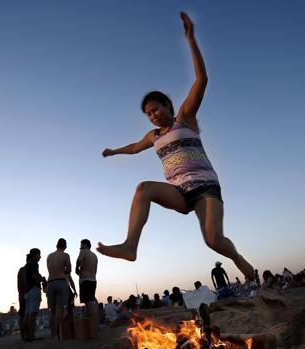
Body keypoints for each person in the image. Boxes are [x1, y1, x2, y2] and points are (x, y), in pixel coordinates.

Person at [97, 12, 255, 281]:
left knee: (213, 239)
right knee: (143, 188)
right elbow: (136, 146)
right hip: (179, 192)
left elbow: (201, 79)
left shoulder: (185, 119)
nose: (153, 114)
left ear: (167, 106)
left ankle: (239, 260)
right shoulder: (153, 136)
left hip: (204, 187)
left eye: (155, 108)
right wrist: (115, 151)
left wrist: (191, 39)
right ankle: (130, 246)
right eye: (148, 113)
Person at [46, 238, 73, 340]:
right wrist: (63, 272)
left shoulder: (49, 256)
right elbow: (69, 270)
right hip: (61, 282)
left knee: (51, 310)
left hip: (50, 283)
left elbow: (49, 269)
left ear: (56, 246)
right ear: (65, 247)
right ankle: (59, 333)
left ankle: (53, 334)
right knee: (60, 309)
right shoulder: (65, 255)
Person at [23, 248, 45, 341]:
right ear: (35, 255)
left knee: (28, 315)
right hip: (34, 290)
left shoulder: (27, 265)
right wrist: (42, 279)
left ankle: (27, 336)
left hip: (27, 291)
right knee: (32, 314)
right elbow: (34, 276)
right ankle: (31, 336)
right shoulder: (34, 264)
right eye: (39, 255)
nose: (40, 257)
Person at [76, 239, 98, 323]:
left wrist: (76, 269)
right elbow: (95, 270)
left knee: (89, 304)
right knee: (88, 303)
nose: (80, 247)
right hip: (93, 280)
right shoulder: (94, 256)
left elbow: (79, 260)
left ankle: (95, 325)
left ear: (85, 245)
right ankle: (88, 324)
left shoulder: (83, 251)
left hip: (85, 280)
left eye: (81, 245)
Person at [16, 255, 29, 341]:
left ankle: (23, 335)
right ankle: (25, 335)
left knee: (22, 315)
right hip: (25, 295)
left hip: (21, 295)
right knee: (25, 315)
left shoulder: (21, 270)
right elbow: (25, 282)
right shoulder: (24, 270)